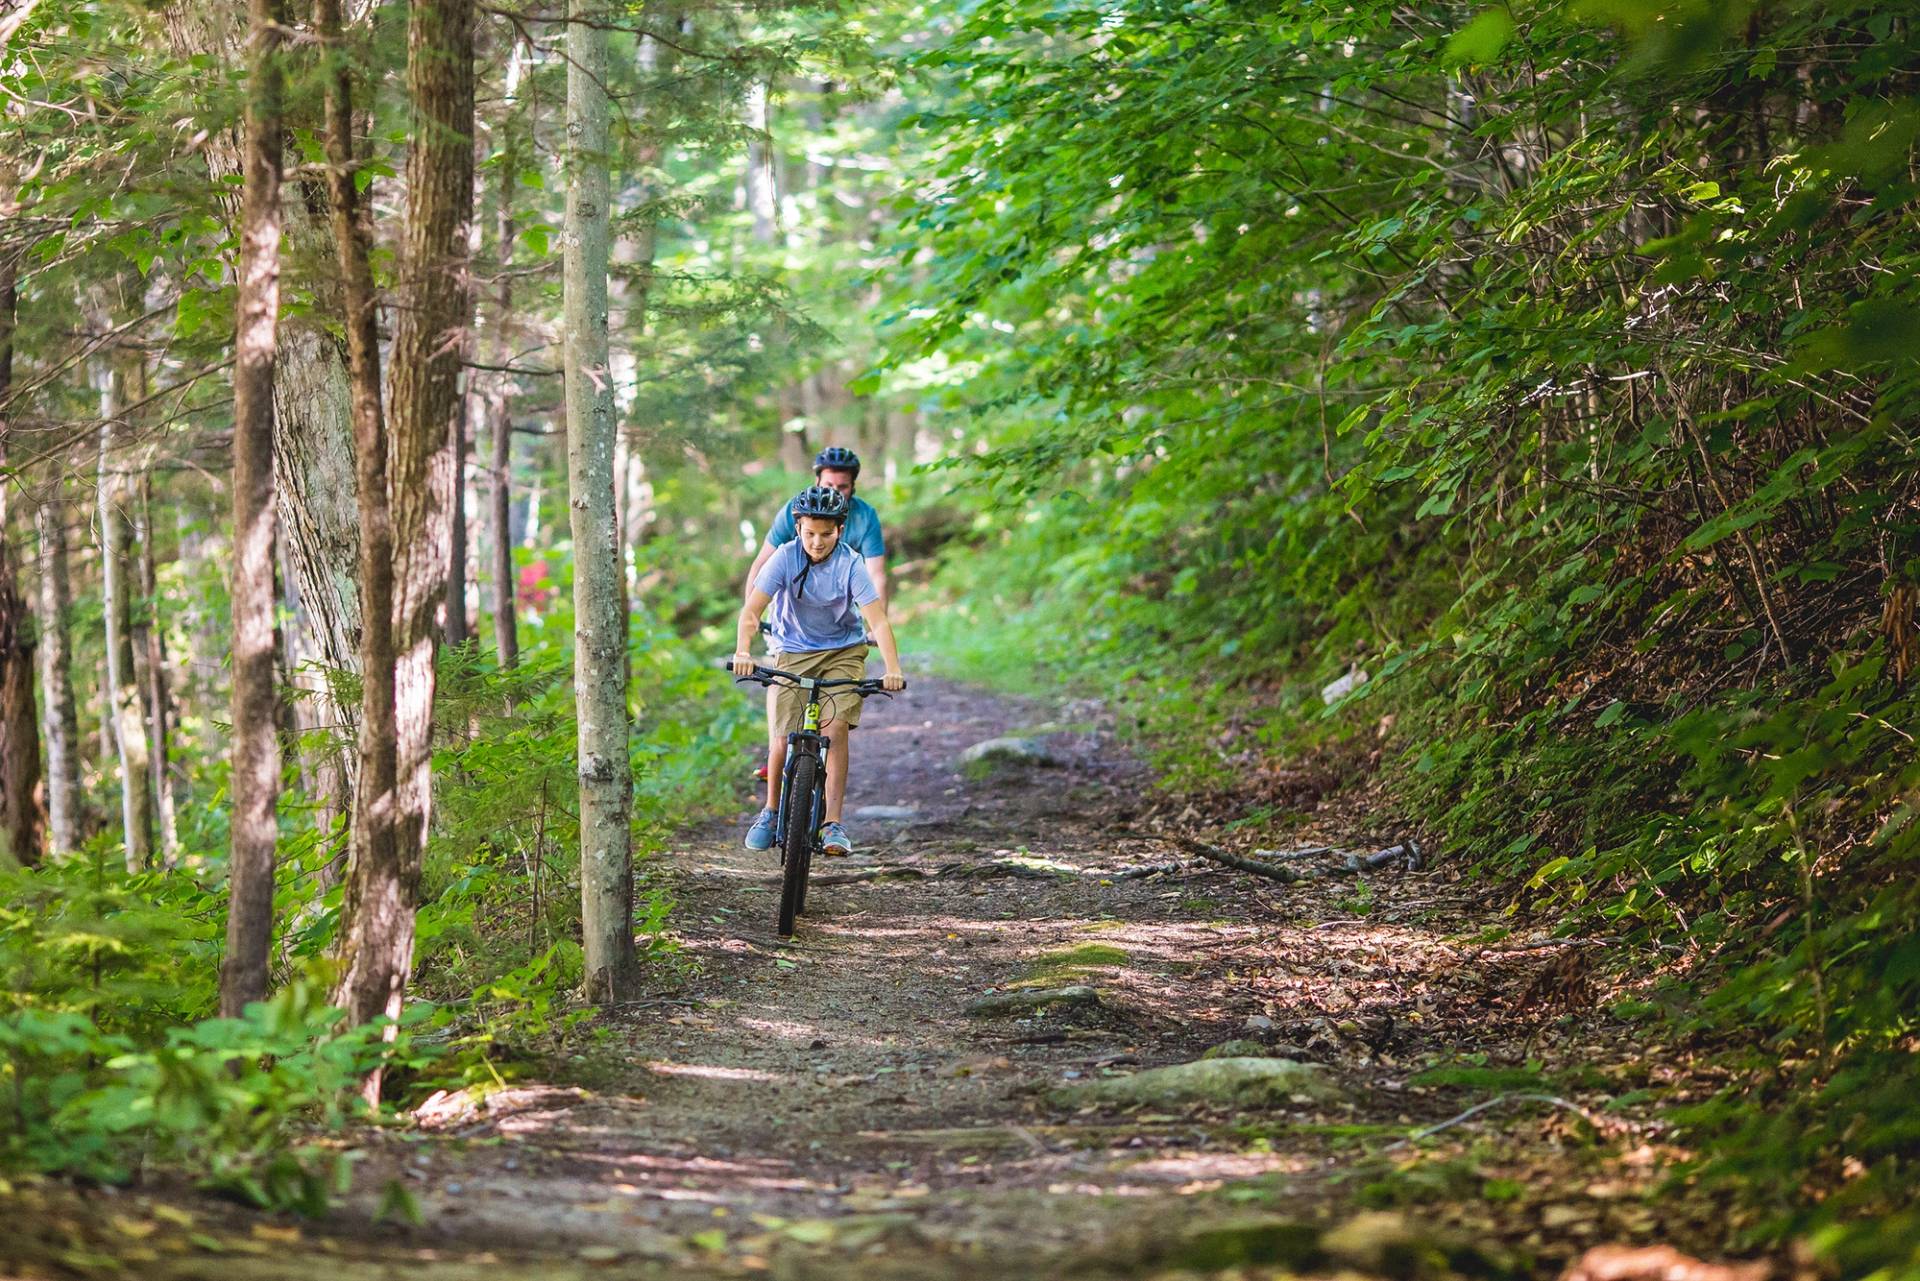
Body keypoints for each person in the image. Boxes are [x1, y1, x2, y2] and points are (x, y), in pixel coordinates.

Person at [733, 486, 905, 856]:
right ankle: (769, 810)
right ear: (798, 528)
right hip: (792, 650)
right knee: (782, 735)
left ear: (839, 530)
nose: (817, 541)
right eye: (810, 533)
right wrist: (743, 651)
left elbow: (878, 621)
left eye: (826, 534)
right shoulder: (784, 557)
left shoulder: (851, 563)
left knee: (836, 726)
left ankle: (833, 823)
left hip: (842, 650)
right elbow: (751, 611)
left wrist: (893, 668)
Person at [741, 446, 887, 783]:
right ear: (817, 480)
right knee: (783, 689)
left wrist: (875, 624)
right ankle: (776, 753)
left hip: (839, 620)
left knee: (834, 710)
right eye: (831, 484)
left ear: (853, 486)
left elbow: (876, 573)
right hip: (793, 618)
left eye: (844, 487)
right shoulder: (797, 511)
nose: (837, 492)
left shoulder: (865, 517)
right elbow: (763, 563)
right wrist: (751, 614)